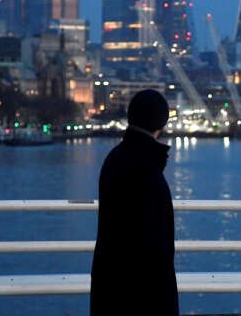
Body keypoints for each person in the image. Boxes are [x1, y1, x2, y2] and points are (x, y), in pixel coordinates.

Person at [90, 89, 179, 315]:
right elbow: (154, 246)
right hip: (142, 297)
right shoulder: (148, 170)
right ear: (162, 122)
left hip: (110, 289)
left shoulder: (115, 158)